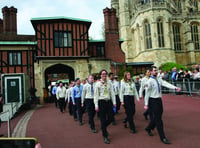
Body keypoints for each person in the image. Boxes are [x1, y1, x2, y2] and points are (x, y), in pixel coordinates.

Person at [144, 66, 181, 144]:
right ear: (150, 72)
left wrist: (175, 87)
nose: (156, 72)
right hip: (152, 100)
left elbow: (165, 83)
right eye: (154, 70)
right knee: (159, 120)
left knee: (158, 116)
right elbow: (147, 93)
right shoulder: (149, 81)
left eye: (156, 70)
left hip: (159, 100)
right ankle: (163, 137)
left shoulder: (158, 79)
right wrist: (146, 104)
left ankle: (148, 128)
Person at [94, 69, 116, 144]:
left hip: (109, 102)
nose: (104, 75)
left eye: (105, 74)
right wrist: (96, 105)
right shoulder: (97, 84)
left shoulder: (109, 82)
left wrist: (114, 102)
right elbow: (96, 95)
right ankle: (105, 136)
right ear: (100, 75)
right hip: (101, 102)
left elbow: (112, 92)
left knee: (111, 117)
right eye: (103, 74)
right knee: (103, 119)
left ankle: (103, 127)